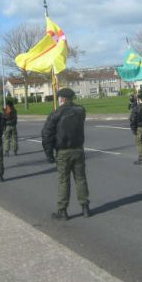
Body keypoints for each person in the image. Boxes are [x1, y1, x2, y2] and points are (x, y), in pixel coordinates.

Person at [41, 88, 90, 220]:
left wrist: (49, 153)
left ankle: (62, 210)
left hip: (63, 151)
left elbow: (46, 134)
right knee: (80, 179)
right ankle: (85, 207)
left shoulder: (56, 113)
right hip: (78, 149)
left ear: (62, 99)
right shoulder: (81, 111)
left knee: (63, 180)